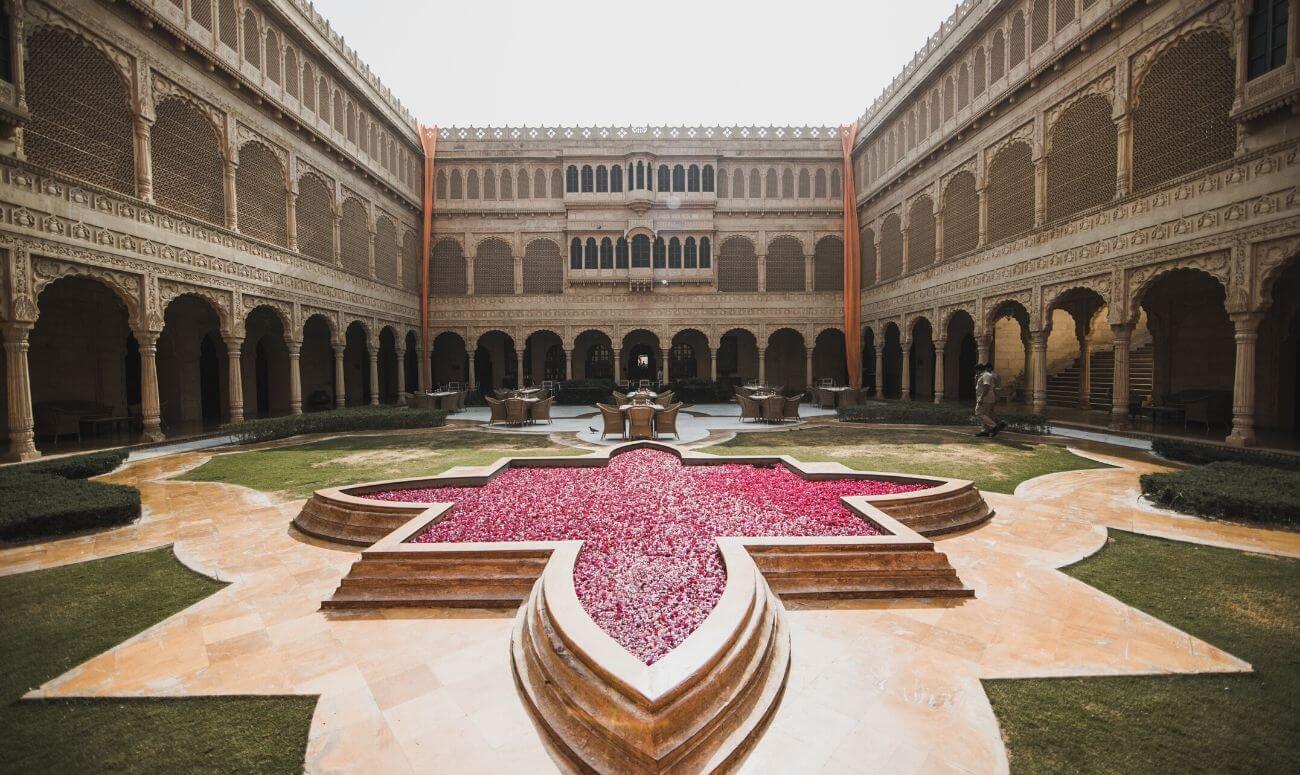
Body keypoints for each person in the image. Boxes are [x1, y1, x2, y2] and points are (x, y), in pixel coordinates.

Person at [974, 363, 1007, 437]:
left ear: (978, 370)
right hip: (986, 398)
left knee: (978, 413)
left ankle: (994, 426)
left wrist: (981, 398)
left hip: (986, 398)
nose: (976, 373)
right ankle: (986, 430)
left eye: (976, 371)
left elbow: (986, 387)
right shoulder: (982, 375)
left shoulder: (986, 375)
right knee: (986, 414)